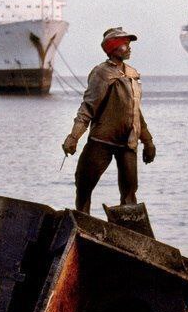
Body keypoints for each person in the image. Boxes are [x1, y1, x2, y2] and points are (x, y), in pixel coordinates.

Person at [62, 27, 156, 214]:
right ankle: (82, 219)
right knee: (84, 184)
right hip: (102, 141)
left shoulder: (132, 74)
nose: (129, 48)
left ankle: (130, 229)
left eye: (129, 44)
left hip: (128, 142)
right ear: (112, 48)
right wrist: (73, 137)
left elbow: (136, 112)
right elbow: (87, 108)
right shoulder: (101, 73)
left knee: (130, 193)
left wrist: (148, 141)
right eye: (124, 44)